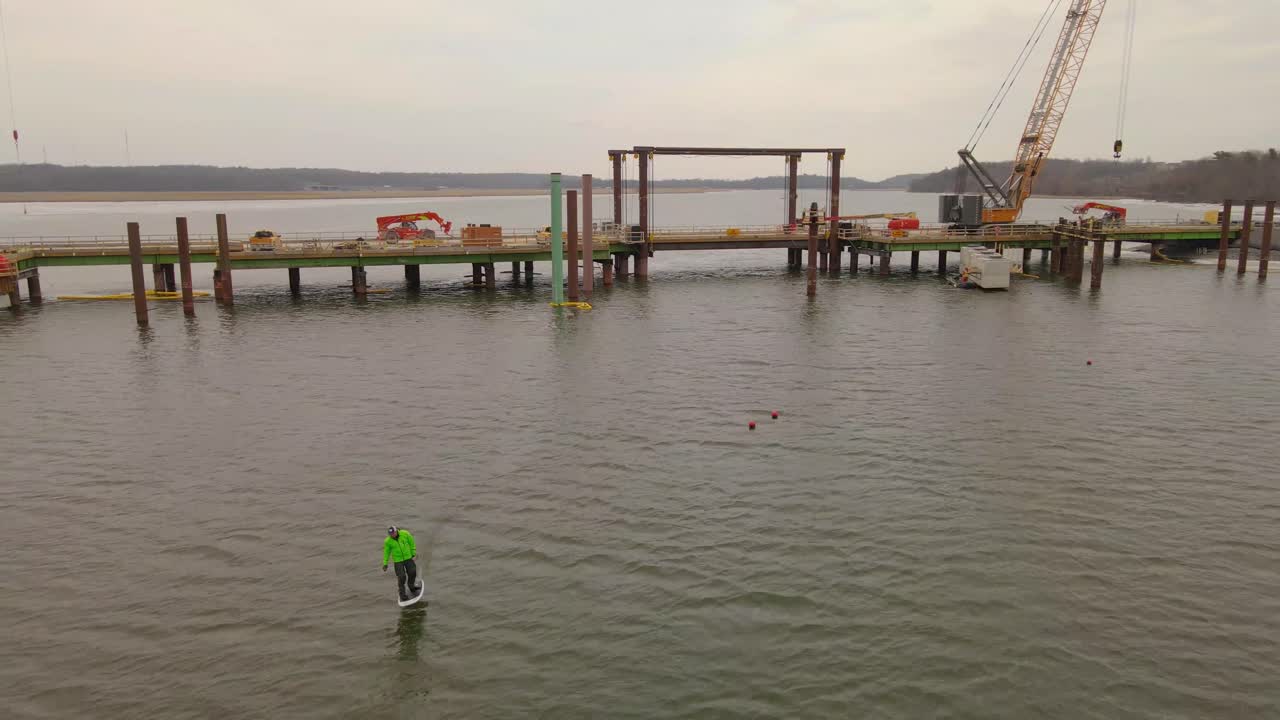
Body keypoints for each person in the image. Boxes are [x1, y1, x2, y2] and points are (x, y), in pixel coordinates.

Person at [382, 525, 420, 601]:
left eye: (393, 533)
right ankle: (402, 595)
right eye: (390, 534)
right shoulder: (387, 541)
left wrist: (413, 552)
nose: (392, 535)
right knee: (401, 577)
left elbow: (411, 542)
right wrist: (385, 563)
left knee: (412, 572)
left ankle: (411, 586)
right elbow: (386, 552)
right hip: (398, 561)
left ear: (396, 531)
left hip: (408, 557)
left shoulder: (405, 533)